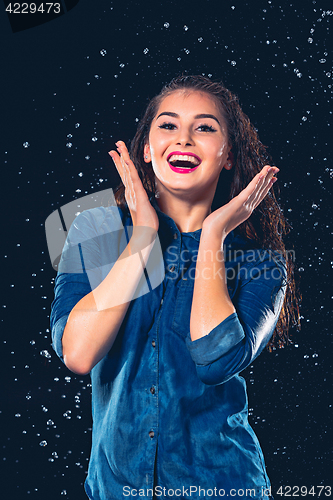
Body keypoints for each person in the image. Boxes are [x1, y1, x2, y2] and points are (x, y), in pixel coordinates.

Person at [50, 75, 299, 500]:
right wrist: (144, 234)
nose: (183, 139)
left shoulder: (263, 263)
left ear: (228, 156)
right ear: (146, 149)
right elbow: (78, 353)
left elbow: (214, 360)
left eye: (204, 128)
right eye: (167, 125)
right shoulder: (95, 227)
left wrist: (213, 235)